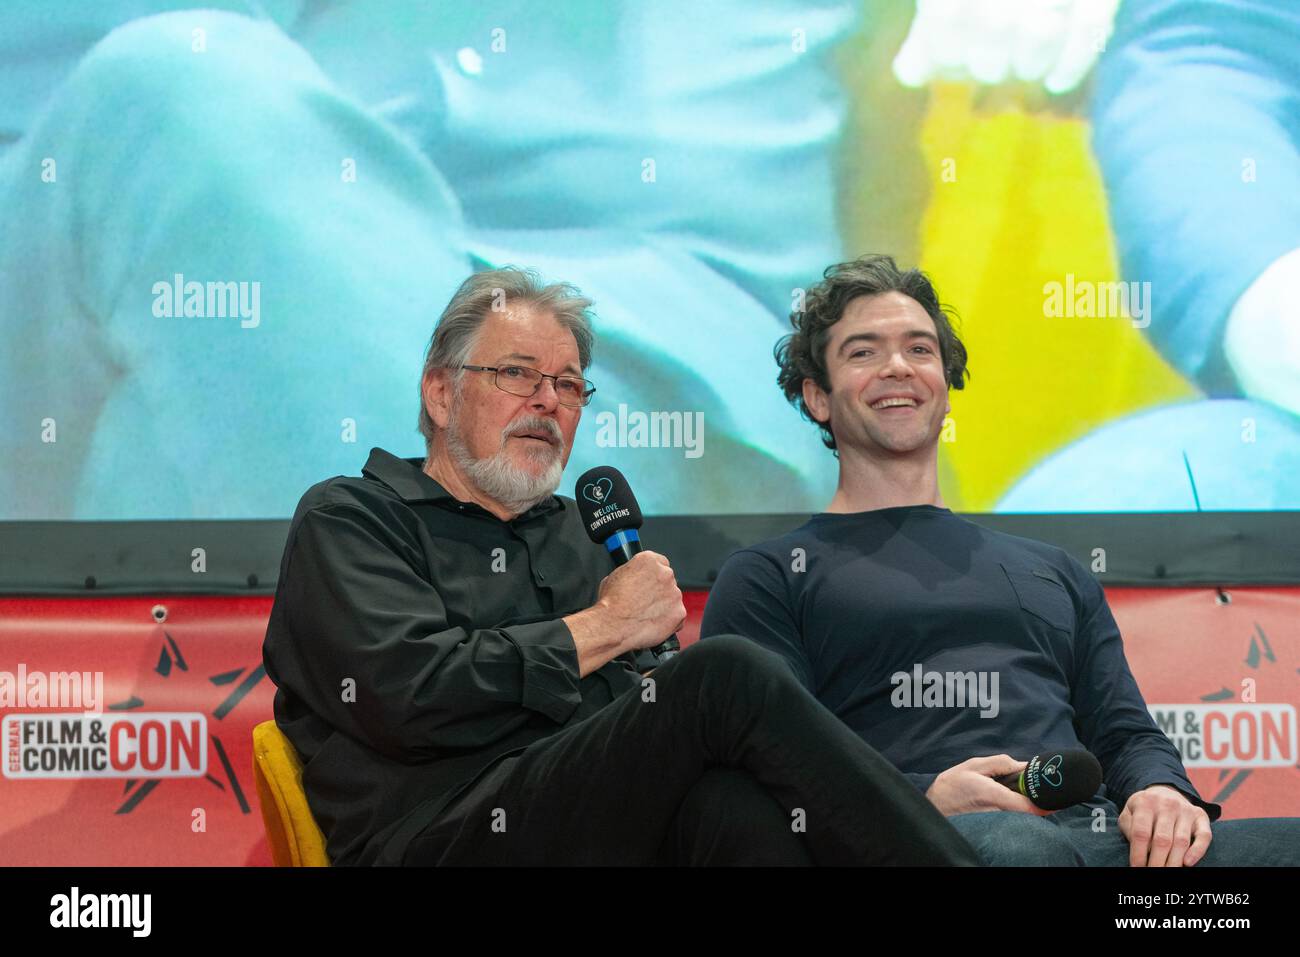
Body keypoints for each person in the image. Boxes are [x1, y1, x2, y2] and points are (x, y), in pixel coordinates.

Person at [261, 265, 979, 866]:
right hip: (436, 836)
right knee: (722, 674)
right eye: (519, 374)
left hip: (592, 827)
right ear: (441, 392)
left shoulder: (583, 534)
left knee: (738, 815)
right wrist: (602, 627)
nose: (548, 401)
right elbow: (403, 694)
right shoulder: (352, 517)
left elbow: (622, 719)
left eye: (570, 386)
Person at [700, 254, 1300, 866]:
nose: (898, 368)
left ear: (945, 386)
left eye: (919, 349)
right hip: (920, 841)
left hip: (1102, 842)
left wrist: (1161, 790)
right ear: (818, 397)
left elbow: (1124, 732)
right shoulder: (771, 575)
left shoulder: (1056, 570)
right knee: (1019, 847)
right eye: (863, 353)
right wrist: (922, 799)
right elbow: (772, 764)